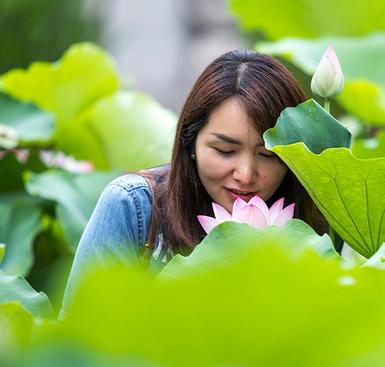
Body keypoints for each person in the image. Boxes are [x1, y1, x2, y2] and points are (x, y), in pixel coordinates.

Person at [60, 50, 330, 316]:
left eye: (268, 155)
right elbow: (78, 340)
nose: (246, 175)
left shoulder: (321, 215)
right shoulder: (132, 206)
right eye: (225, 151)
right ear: (190, 142)